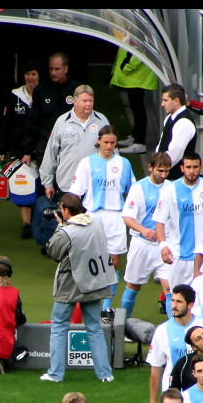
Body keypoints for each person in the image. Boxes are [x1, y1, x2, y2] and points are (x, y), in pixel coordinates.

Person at [41, 193, 116, 383]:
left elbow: (54, 251)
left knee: (58, 327)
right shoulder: (97, 222)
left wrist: (60, 226)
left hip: (70, 283)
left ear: (66, 211)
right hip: (94, 282)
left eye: (61, 208)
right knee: (95, 328)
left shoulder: (68, 231)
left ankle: (55, 374)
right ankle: (105, 374)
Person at [68, 124, 136, 317]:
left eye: (112, 143)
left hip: (116, 216)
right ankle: (89, 304)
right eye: (106, 142)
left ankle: (106, 308)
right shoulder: (86, 163)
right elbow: (75, 193)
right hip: (93, 216)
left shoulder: (124, 164)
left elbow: (131, 193)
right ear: (98, 141)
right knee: (91, 260)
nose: (109, 146)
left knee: (113, 262)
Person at [154, 152, 203, 318]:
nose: (191, 171)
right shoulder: (170, 190)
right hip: (178, 254)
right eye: (188, 167)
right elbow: (159, 222)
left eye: (195, 167)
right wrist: (163, 245)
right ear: (181, 168)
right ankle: (176, 331)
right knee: (176, 298)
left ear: (200, 168)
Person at [120, 153, 172, 320]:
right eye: (160, 170)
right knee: (133, 286)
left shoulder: (172, 188)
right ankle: (123, 327)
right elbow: (127, 217)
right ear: (150, 168)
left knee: (169, 287)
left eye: (167, 171)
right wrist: (143, 230)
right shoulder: (138, 188)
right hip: (141, 244)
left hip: (165, 245)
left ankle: (176, 329)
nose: (163, 175)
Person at [40, 85, 110, 201]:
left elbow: (111, 148)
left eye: (90, 101)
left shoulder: (102, 120)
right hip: (68, 184)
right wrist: (47, 183)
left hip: (96, 185)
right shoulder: (62, 121)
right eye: (84, 101)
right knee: (69, 219)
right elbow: (51, 153)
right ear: (75, 101)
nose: (88, 104)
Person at [147, 284, 203, 403]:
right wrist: (153, 402)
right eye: (172, 300)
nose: (174, 305)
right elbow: (155, 367)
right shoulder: (162, 330)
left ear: (190, 305)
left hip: (201, 390)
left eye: (179, 302)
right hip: (173, 394)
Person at [0, 60, 41, 239]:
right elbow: (6, 123)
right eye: (27, 74)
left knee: (42, 184)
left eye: (34, 74)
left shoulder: (45, 94)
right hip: (18, 148)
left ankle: (43, 219)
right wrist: (3, 148)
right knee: (23, 183)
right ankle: (26, 224)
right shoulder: (14, 96)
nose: (30, 77)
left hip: (41, 148)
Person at [25, 52, 82, 167]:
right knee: (47, 182)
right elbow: (32, 122)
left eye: (57, 69)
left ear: (66, 68)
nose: (53, 73)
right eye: (50, 69)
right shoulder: (40, 90)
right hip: (46, 146)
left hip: (71, 146)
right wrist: (27, 151)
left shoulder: (77, 89)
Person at [110, 47, 159, 155]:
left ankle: (139, 142)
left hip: (137, 77)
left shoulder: (136, 34)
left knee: (138, 109)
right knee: (136, 107)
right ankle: (135, 137)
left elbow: (139, 53)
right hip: (135, 78)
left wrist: (126, 67)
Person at [154, 84, 197, 181]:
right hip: (167, 177)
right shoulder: (169, 118)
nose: (162, 104)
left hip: (175, 179)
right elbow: (161, 145)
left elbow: (174, 154)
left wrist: (158, 170)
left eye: (165, 100)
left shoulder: (184, 123)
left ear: (176, 101)